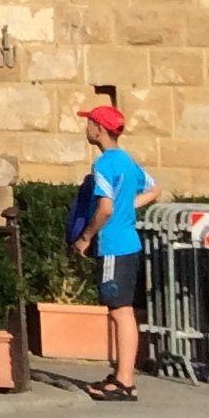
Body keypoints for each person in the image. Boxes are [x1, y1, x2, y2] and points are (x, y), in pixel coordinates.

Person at [75, 104, 159, 402]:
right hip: (129, 242)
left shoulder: (104, 164)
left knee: (120, 311)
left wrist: (86, 236)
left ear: (99, 129)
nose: (86, 127)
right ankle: (122, 376)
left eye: (89, 123)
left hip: (113, 245)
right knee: (122, 310)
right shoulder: (127, 161)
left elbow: (105, 208)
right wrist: (129, 207)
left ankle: (124, 380)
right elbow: (154, 189)